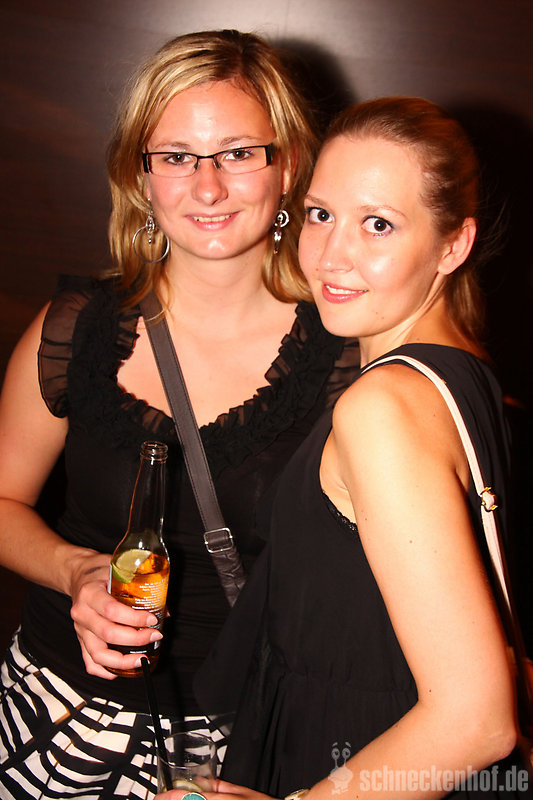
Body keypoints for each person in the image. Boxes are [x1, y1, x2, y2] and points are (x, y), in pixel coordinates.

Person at [0, 29, 359, 799]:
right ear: (141, 176)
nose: (207, 187)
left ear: (290, 164)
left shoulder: (351, 357)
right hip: (60, 717)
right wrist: (75, 569)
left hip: (252, 744)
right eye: (176, 157)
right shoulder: (75, 329)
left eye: (238, 152)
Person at [161, 97, 527, 799]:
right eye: (320, 214)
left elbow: (476, 720)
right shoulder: (465, 373)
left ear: (453, 246)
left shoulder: (382, 407)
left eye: (378, 224)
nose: (330, 255)